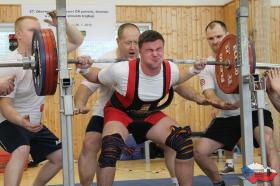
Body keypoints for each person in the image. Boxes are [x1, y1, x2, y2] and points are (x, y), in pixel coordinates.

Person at [76, 29, 210, 186]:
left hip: (147, 112)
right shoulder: (117, 67)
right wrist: (84, 69)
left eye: (159, 50)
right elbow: (92, 79)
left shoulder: (169, 68)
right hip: (118, 112)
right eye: (128, 43)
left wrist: (195, 73)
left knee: (183, 142)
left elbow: (178, 80)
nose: (155, 54)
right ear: (119, 42)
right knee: (108, 149)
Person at [0, 14, 83, 186]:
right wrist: (22, 122)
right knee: (22, 149)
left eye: (39, 31)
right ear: (19, 34)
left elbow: (76, 41)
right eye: (32, 31)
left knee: (60, 157)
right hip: (9, 120)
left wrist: (64, 23)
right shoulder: (11, 64)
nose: (37, 34)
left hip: (33, 122)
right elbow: (5, 107)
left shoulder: (47, 56)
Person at [194, 20, 280, 186]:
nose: (216, 41)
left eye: (219, 36)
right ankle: (219, 182)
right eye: (211, 38)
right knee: (200, 152)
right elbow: (209, 93)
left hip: (254, 110)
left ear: (227, 37)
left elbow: (256, 86)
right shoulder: (207, 66)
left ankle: (274, 183)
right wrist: (220, 103)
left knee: (267, 143)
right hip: (227, 115)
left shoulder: (246, 58)